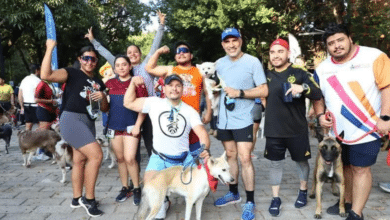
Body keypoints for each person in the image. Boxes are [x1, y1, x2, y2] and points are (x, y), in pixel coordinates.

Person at [313, 23, 390, 220]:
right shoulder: (322, 69)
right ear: (327, 47)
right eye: (331, 43)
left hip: (368, 127)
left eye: (340, 40)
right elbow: (317, 96)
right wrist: (321, 115)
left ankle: (356, 213)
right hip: (338, 132)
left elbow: (387, 87)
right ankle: (346, 203)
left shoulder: (374, 56)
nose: (336, 45)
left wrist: (386, 118)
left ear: (350, 38)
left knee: (360, 168)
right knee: (345, 165)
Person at [123, 74, 210, 220]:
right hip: (159, 157)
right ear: (164, 88)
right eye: (170, 85)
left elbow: (202, 133)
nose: (174, 89)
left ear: (182, 89)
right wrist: (132, 83)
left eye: (178, 86)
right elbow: (128, 102)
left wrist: (205, 149)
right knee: (150, 185)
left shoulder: (190, 111)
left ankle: (176, 197)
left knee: (198, 189)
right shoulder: (154, 103)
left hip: (183, 160)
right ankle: (163, 203)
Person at [41, 39, 109, 217]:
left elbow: (105, 109)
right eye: (86, 58)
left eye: (93, 59)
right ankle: (90, 199)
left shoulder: (98, 82)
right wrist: (50, 48)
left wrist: (102, 96)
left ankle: (76, 198)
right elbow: (45, 75)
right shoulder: (71, 73)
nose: (89, 62)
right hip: (71, 119)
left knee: (79, 161)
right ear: (80, 59)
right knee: (97, 155)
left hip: (88, 121)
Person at [85, 10, 166, 157]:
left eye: (136, 52)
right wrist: (93, 41)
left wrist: (161, 25)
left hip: (147, 110)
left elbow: (155, 46)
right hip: (128, 111)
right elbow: (106, 53)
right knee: (132, 149)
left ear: (140, 54)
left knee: (152, 143)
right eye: (129, 52)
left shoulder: (146, 66)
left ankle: (156, 173)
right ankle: (134, 177)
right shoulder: (121, 67)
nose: (133, 54)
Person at [213, 27, 268, 220]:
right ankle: (234, 193)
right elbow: (213, 87)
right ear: (223, 45)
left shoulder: (252, 62)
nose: (231, 45)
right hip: (224, 120)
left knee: (245, 158)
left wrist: (241, 93)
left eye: (234, 40)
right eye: (227, 42)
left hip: (244, 119)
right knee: (230, 155)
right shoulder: (218, 64)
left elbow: (264, 90)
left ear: (240, 41)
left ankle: (250, 201)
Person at [264, 38, 322, 217]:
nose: (276, 55)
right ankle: (275, 198)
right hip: (273, 129)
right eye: (273, 52)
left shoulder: (299, 72)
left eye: (280, 51)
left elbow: (318, 93)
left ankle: (303, 190)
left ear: (288, 53)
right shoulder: (265, 75)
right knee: (275, 164)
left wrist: (302, 87)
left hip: (296, 128)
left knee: (301, 161)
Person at [145, 41, 212, 149]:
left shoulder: (199, 71)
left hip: (193, 120)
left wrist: (209, 112)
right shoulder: (171, 70)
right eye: (178, 52)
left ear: (191, 55)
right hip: (175, 119)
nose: (181, 53)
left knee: (196, 153)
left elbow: (207, 92)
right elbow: (149, 68)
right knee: (175, 152)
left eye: (184, 51)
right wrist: (158, 52)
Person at [105, 55, 148, 205]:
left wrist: (138, 125)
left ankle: (137, 188)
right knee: (120, 159)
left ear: (130, 66)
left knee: (130, 158)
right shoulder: (109, 83)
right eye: (118, 65)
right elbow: (106, 106)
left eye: (124, 64)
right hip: (113, 126)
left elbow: (144, 106)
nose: (121, 67)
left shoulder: (137, 81)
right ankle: (125, 187)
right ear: (114, 68)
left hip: (132, 126)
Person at [18, 64, 41, 130]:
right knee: (40, 125)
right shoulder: (38, 81)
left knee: (28, 125)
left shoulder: (24, 80)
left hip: (26, 105)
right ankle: (40, 139)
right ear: (37, 70)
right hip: (36, 105)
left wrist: (22, 106)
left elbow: (20, 94)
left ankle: (26, 139)